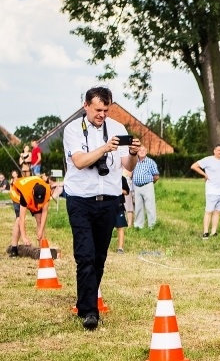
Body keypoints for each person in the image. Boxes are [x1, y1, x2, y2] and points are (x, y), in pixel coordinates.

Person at [63, 86, 140, 330]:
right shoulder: (73, 129)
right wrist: (105, 148)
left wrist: (134, 154)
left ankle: (87, 301)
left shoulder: (118, 128)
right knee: (84, 255)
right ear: (85, 105)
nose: (102, 114)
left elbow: (126, 164)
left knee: (99, 257)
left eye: (106, 110)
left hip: (109, 199)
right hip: (81, 200)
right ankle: (89, 311)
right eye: (98, 110)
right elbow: (79, 161)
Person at [7, 175, 52, 257]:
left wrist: (41, 230)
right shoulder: (25, 193)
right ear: (33, 193)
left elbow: (44, 212)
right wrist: (24, 237)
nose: (39, 202)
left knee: (39, 219)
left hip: (31, 193)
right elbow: (22, 219)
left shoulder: (47, 191)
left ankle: (42, 249)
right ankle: (14, 249)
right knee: (18, 220)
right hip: (18, 194)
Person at [191, 144, 220, 238]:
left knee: (217, 212)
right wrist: (204, 175)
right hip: (212, 191)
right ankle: (206, 232)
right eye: (218, 150)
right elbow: (194, 166)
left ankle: (214, 231)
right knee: (209, 211)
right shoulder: (208, 160)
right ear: (214, 151)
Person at [132, 145, 159, 229]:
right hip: (137, 187)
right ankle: (138, 226)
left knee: (150, 206)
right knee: (138, 207)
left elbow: (156, 175)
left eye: (144, 150)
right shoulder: (134, 162)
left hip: (147, 186)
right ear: (137, 152)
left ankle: (152, 226)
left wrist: (150, 183)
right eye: (140, 150)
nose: (142, 151)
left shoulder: (151, 162)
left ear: (146, 152)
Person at [115, 174, 131, 253]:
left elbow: (127, 191)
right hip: (107, 205)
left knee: (120, 227)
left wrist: (120, 190)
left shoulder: (122, 178)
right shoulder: (105, 176)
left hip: (119, 205)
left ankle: (120, 248)